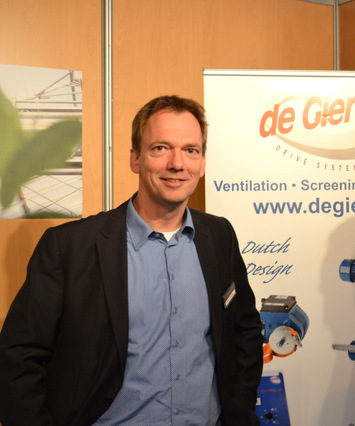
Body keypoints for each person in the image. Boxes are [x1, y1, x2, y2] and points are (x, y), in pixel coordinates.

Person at [0, 95, 264, 425]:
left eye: (190, 150)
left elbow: (244, 331)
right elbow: (18, 358)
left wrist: (240, 407)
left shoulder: (220, 236)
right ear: (135, 159)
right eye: (161, 148)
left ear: (202, 162)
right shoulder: (69, 247)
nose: (177, 163)